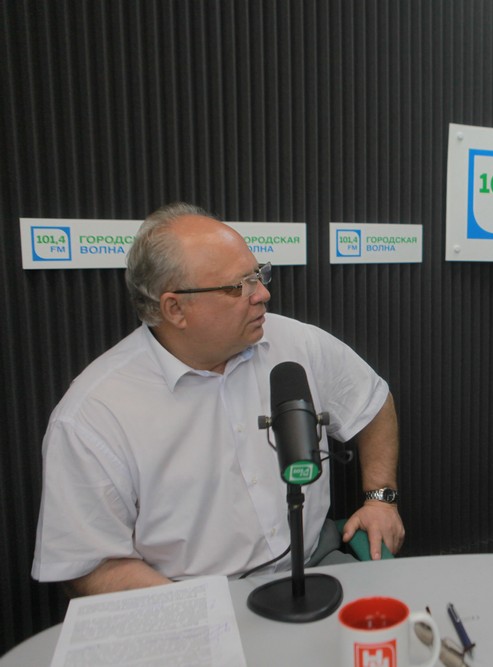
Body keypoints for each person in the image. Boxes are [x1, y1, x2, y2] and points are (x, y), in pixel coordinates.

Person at [32, 203, 405, 596]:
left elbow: (372, 402)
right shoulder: (94, 413)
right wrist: (201, 614)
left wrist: (380, 499)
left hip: (316, 561)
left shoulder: (295, 342)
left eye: (259, 275)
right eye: (238, 286)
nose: (263, 294)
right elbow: (93, 566)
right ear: (175, 308)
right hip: (187, 597)